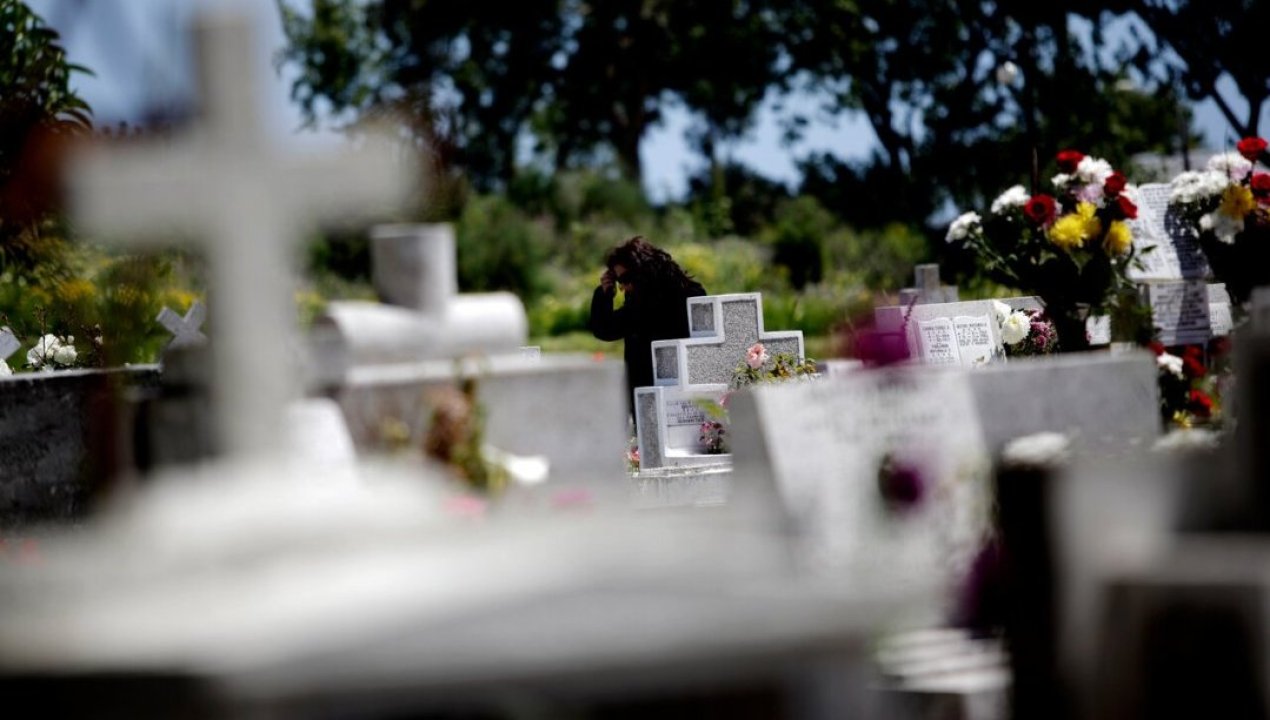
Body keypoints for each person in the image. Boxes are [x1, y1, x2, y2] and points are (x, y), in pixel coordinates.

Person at [589, 236, 707, 417]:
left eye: (626, 279)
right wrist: (604, 293)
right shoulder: (643, 299)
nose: (623, 287)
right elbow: (605, 329)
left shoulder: (658, 300)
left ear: (642, 270)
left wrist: (605, 295)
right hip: (658, 397)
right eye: (619, 282)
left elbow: (606, 329)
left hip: (676, 397)